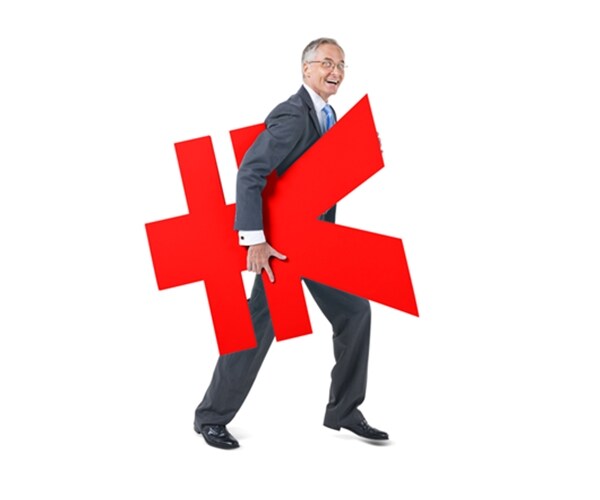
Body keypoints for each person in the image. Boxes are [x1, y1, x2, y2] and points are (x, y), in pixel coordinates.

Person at [194, 37, 389, 449]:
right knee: (256, 329)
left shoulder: (328, 115)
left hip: (317, 242)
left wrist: (361, 154)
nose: (336, 71)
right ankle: (210, 417)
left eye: (342, 65)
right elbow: (250, 171)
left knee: (355, 312)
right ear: (306, 69)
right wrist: (255, 240)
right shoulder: (293, 114)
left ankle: (344, 410)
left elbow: (318, 177)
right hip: (280, 249)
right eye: (327, 63)